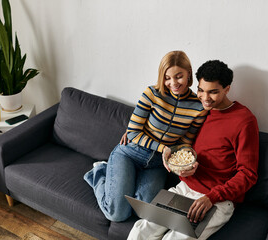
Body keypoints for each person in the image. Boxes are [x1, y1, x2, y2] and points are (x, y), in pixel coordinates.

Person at [127, 60, 260, 239]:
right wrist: (130, 131)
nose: (205, 98)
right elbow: (164, 128)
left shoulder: (244, 121)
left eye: (213, 92)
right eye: (201, 90)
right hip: (185, 187)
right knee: (140, 231)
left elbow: (248, 174)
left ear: (227, 89)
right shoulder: (199, 111)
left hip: (217, 200)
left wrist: (212, 197)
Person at [83, 51, 207, 222]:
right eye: (167, 77)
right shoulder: (152, 94)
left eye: (179, 76)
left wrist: (184, 165)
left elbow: (186, 143)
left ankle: (122, 183)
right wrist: (163, 148)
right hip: (130, 154)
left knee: (142, 210)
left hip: (157, 164)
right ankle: (98, 174)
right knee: (117, 214)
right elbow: (133, 132)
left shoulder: (197, 107)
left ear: (188, 74)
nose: (173, 83)